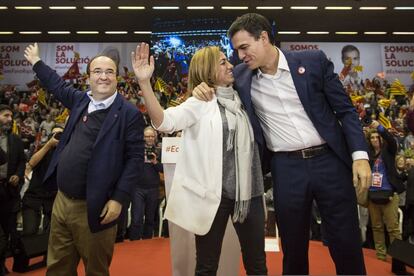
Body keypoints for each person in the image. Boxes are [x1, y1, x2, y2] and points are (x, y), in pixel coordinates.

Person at [192, 13, 371, 275]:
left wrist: (360, 155)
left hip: (329, 162)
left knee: (346, 243)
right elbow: (213, 79)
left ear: (263, 37)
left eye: (244, 47)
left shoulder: (313, 61)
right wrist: (200, 88)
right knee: (293, 248)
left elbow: (345, 111)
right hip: (286, 169)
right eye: (236, 51)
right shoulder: (241, 76)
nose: (240, 56)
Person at [132, 43, 267, 275]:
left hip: (250, 194)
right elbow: (164, 121)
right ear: (207, 70)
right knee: (206, 266)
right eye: (223, 62)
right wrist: (144, 83)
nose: (231, 65)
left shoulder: (245, 96)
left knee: (257, 265)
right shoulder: (200, 102)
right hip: (213, 197)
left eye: (228, 60)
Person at [24, 43, 145, 276]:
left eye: (109, 72)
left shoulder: (129, 114)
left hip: (97, 207)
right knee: (58, 267)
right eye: (97, 71)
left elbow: (135, 160)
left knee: (95, 270)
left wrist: (119, 199)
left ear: (117, 78)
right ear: (88, 77)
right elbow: (56, 84)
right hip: (61, 202)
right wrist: (36, 61)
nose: (103, 76)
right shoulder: (81, 101)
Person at [366, 120, 407, 274]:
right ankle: (380, 255)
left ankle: (398, 260)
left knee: (393, 229)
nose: (375, 139)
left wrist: (380, 128)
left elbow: (391, 140)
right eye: (372, 138)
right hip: (373, 194)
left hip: (389, 194)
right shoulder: (368, 155)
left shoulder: (388, 151)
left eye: (377, 137)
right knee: (376, 227)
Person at [0, 104, 26, 275]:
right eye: (6, 115)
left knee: (8, 232)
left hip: (9, 192)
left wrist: (18, 174)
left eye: (11, 116)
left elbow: (22, 162)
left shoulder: (16, 139)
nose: (10, 119)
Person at [129, 126, 163, 240]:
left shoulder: (159, 150)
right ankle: (134, 244)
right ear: (142, 138)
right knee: (136, 219)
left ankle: (147, 244)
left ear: (155, 137)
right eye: (147, 136)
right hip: (137, 188)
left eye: (152, 136)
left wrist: (155, 162)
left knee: (150, 219)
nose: (149, 138)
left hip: (153, 188)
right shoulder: (136, 150)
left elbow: (163, 169)